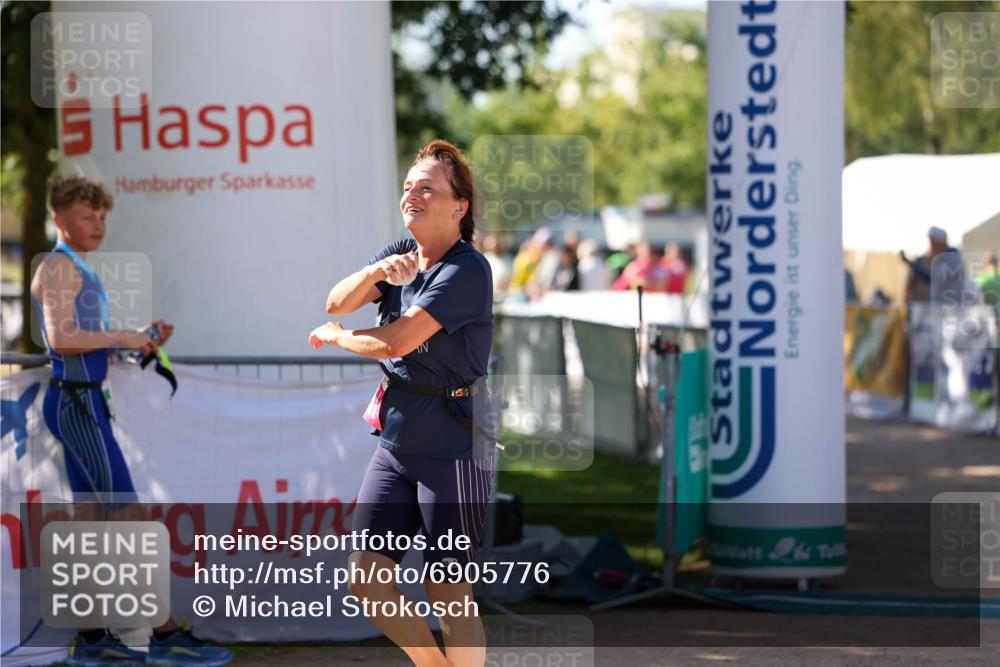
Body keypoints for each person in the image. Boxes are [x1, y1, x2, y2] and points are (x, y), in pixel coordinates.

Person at [30, 175, 231, 666]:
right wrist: (126, 333)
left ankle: (94, 639)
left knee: (91, 526)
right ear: (60, 220)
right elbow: (62, 339)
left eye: (101, 217)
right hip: (77, 405)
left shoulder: (73, 265)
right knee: (129, 520)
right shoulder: (59, 266)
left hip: (83, 403)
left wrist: (136, 339)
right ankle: (165, 636)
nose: (97, 225)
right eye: (85, 217)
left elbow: (83, 337)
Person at [310, 140, 494, 667]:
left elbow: (393, 342)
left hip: (454, 443)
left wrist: (339, 336)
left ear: (459, 206)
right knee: (366, 578)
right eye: (409, 186)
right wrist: (375, 274)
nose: (412, 193)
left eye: (427, 187)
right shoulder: (401, 254)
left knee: (448, 592)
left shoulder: (467, 270)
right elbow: (335, 301)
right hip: (397, 439)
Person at [902, 226, 966, 306]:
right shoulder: (943, 258)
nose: (930, 246)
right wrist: (914, 267)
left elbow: (934, 279)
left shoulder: (951, 258)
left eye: (932, 243)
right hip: (942, 308)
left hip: (949, 309)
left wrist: (915, 267)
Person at [479, 233, 511, 301]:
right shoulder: (485, 258)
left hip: (503, 295)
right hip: (488, 296)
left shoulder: (507, 258)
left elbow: (508, 278)